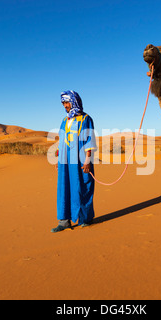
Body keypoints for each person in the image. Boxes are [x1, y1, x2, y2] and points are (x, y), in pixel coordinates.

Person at [52, 90, 97, 233]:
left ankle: (85, 219)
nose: (65, 105)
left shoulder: (85, 119)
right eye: (63, 103)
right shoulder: (65, 120)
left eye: (66, 102)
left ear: (74, 101)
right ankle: (64, 221)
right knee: (64, 188)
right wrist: (58, 158)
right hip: (65, 160)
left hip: (81, 159)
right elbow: (61, 141)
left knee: (83, 187)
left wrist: (88, 160)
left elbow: (89, 140)